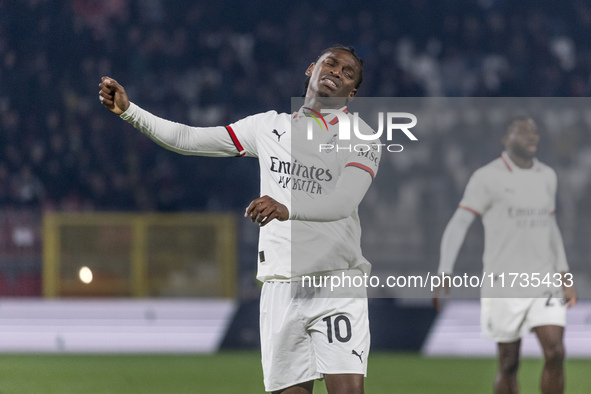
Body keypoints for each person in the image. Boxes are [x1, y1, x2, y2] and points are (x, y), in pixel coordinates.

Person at [99, 45, 380, 394]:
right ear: (311, 69)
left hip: (335, 282)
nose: (336, 71)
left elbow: (343, 201)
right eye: (331, 63)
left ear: (351, 94)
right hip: (281, 286)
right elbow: (190, 138)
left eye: (347, 73)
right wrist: (130, 112)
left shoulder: (361, 134)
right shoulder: (268, 126)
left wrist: (287, 206)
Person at [433, 116, 577, 394]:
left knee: (556, 352)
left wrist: (564, 275)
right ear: (505, 139)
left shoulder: (547, 175)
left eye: (534, 131)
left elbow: (551, 227)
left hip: (543, 280)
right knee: (509, 362)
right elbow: (458, 224)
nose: (531, 135)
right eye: (522, 131)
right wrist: (444, 271)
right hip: (503, 282)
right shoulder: (487, 177)